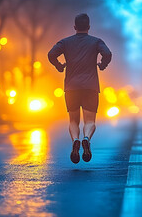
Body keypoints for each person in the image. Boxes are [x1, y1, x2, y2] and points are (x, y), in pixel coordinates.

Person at [48, 13, 112, 164]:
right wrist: (102, 65)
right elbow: (107, 54)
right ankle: (86, 139)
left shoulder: (65, 42)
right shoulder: (96, 42)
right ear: (89, 27)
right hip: (90, 87)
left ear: (75, 27)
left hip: (71, 87)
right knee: (90, 121)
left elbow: (51, 54)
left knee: (73, 120)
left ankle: (75, 140)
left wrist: (59, 66)